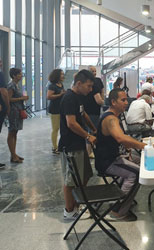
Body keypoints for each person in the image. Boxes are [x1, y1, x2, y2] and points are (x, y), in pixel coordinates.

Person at [96, 89, 154, 221]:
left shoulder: (114, 116)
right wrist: (144, 146)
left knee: (139, 161)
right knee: (137, 173)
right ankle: (119, 211)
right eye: (122, 100)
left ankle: (121, 196)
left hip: (114, 157)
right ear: (113, 102)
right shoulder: (110, 119)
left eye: (126, 99)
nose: (126, 102)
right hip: (108, 162)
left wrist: (128, 151)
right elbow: (120, 138)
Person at [59, 69, 97, 220]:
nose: (91, 89)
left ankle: (77, 203)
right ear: (79, 83)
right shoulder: (69, 98)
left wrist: (94, 128)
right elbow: (71, 123)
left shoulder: (78, 97)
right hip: (70, 145)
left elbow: (83, 114)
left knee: (84, 175)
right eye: (88, 86)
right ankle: (69, 210)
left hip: (79, 144)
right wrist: (88, 136)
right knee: (70, 180)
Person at [7, 68, 28, 163]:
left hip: (17, 110)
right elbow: (8, 99)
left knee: (15, 132)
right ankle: (12, 154)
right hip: (13, 111)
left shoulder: (16, 85)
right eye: (19, 74)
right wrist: (21, 98)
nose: (21, 75)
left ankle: (14, 154)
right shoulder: (11, 85)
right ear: (14, 75)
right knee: (12, 132)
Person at [47, 69, 65, 154]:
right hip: (54, 109)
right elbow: (49, 96)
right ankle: (54, 147)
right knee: (55, 128)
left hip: (61, 108)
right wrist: (60, 95)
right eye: (61, 74)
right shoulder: (52, 85)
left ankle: (60, 145)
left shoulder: (61, 84)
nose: (63, 75)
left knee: (61, 128)